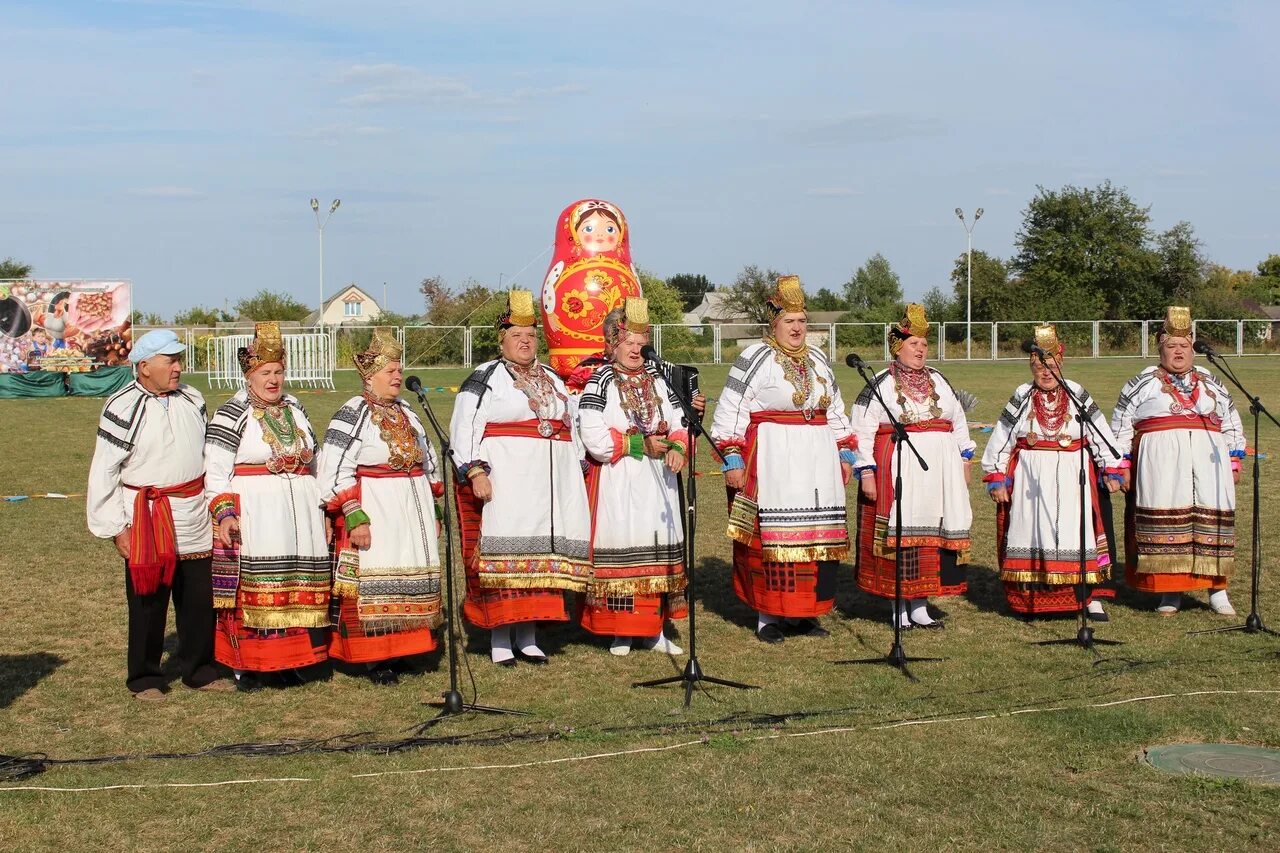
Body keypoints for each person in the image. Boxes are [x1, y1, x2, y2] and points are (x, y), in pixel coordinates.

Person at [710, 275, 859, 643]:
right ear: (774, 324)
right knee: (773, 535)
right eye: (789, 321)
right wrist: (732, 455)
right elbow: (732, 408)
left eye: (802, 321)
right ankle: (768, 616)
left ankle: (805, 613)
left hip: (817, 459)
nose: (797, 328)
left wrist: (844, 449)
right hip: (774, 456)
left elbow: (835, 408)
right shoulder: (754, 358)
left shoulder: (820, 360)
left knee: (813, 533)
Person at [449, 289, 593, 665]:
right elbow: (464, 429)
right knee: (506, 561)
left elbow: (570, 424)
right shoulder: (485, 378)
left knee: (540, 561)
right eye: (517, 335)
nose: (525, 341)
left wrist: (576, 467)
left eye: (530, 335)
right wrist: (474, 470)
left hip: (548, 487)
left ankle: (528, 638)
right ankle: (499, 640)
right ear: (503, 340)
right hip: (509, 483)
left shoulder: (552, 378)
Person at [86, 329, 230, 699]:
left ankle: (198, 669)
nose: (178, 367)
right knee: (149, 599)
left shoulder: (192, 399)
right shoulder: (121, 405)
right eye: (171, 360)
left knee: (198, 597)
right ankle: (145, 677)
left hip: (194, 510)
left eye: (179, 359)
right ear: (145, 366)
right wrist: (117, 528)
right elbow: (105, 469)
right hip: (147, 514)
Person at [204, 322, 330, 689]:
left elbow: (316, 461)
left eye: (279, 372)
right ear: (249, 375)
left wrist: (321, 509)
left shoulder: (296, 408)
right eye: (266, 373)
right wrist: (225, 514)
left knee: (294, 584)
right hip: (258, 513)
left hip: (300, 514)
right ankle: (249, 666)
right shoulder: (231, 413)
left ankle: (291, 661)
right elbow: (214, 470)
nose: (274, 380)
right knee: (258, 588)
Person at [316, 328, 444, 684]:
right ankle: (377, 659)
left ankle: (405, 649)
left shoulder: (409, 413)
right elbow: (333, 470)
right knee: (377, 580)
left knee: (406, 575)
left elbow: (429, 462)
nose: (398, 376)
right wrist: (355, 516)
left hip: (411, 507)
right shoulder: (352, 413)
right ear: (369, 377)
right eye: (390, 371)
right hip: (378, 508)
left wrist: (434, 510)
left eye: (399, 369)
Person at [980, 324, 1125, 619]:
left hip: (1074, 475)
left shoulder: (1077, 393)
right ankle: (1034, 600)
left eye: (1052, 364)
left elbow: (1099, 431)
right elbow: (1003, 436)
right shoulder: (1021, 395)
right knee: (1035, 534)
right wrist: (996, 475)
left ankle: (1088, 599)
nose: (1046, 372)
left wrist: (1111, 467)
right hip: (1031, 479)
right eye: (1039, 366)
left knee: (1078, 534)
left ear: (1061, 362)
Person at [1111, 306, 1245, 615]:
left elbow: (1231, 421)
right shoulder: (1140, 383)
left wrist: (1235, 458)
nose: (1179, 352)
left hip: (1210, 462)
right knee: (1166, 520)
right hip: (1161, 466)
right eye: (1171, 346)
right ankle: (1169, 592)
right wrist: (1122, 465)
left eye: (1184, 346)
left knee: (1211, 521)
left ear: (1193, 347)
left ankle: (1217, 590)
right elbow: (1120, 424)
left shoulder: (1213, 382)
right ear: (1160, 348)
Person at [851, 304, 974, 629]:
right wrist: (866, 470)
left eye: (923, 344)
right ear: (897, 347)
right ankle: (897, 606)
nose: (920, 349)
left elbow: (957, 419)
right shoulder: (879, 383)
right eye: (913, 344)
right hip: (898, 470)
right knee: (901, 534)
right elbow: (862, 429)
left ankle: (920, 604)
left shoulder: (939, 380)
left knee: (928, 536)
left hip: (939, 473)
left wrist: (965, 456)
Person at [577, 298, 688, 656]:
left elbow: (681, 421)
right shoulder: (601, 380)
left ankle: (654, 631)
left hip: (659, 484)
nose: (637, 350)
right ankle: (621, 632)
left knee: (656, 547)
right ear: (614, 344)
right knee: (623, 545)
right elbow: (593, 436)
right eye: (630, 343)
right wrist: (639, 444)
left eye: (642, 344)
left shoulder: (659, 379)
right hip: (619, 478)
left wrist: (677, 448)